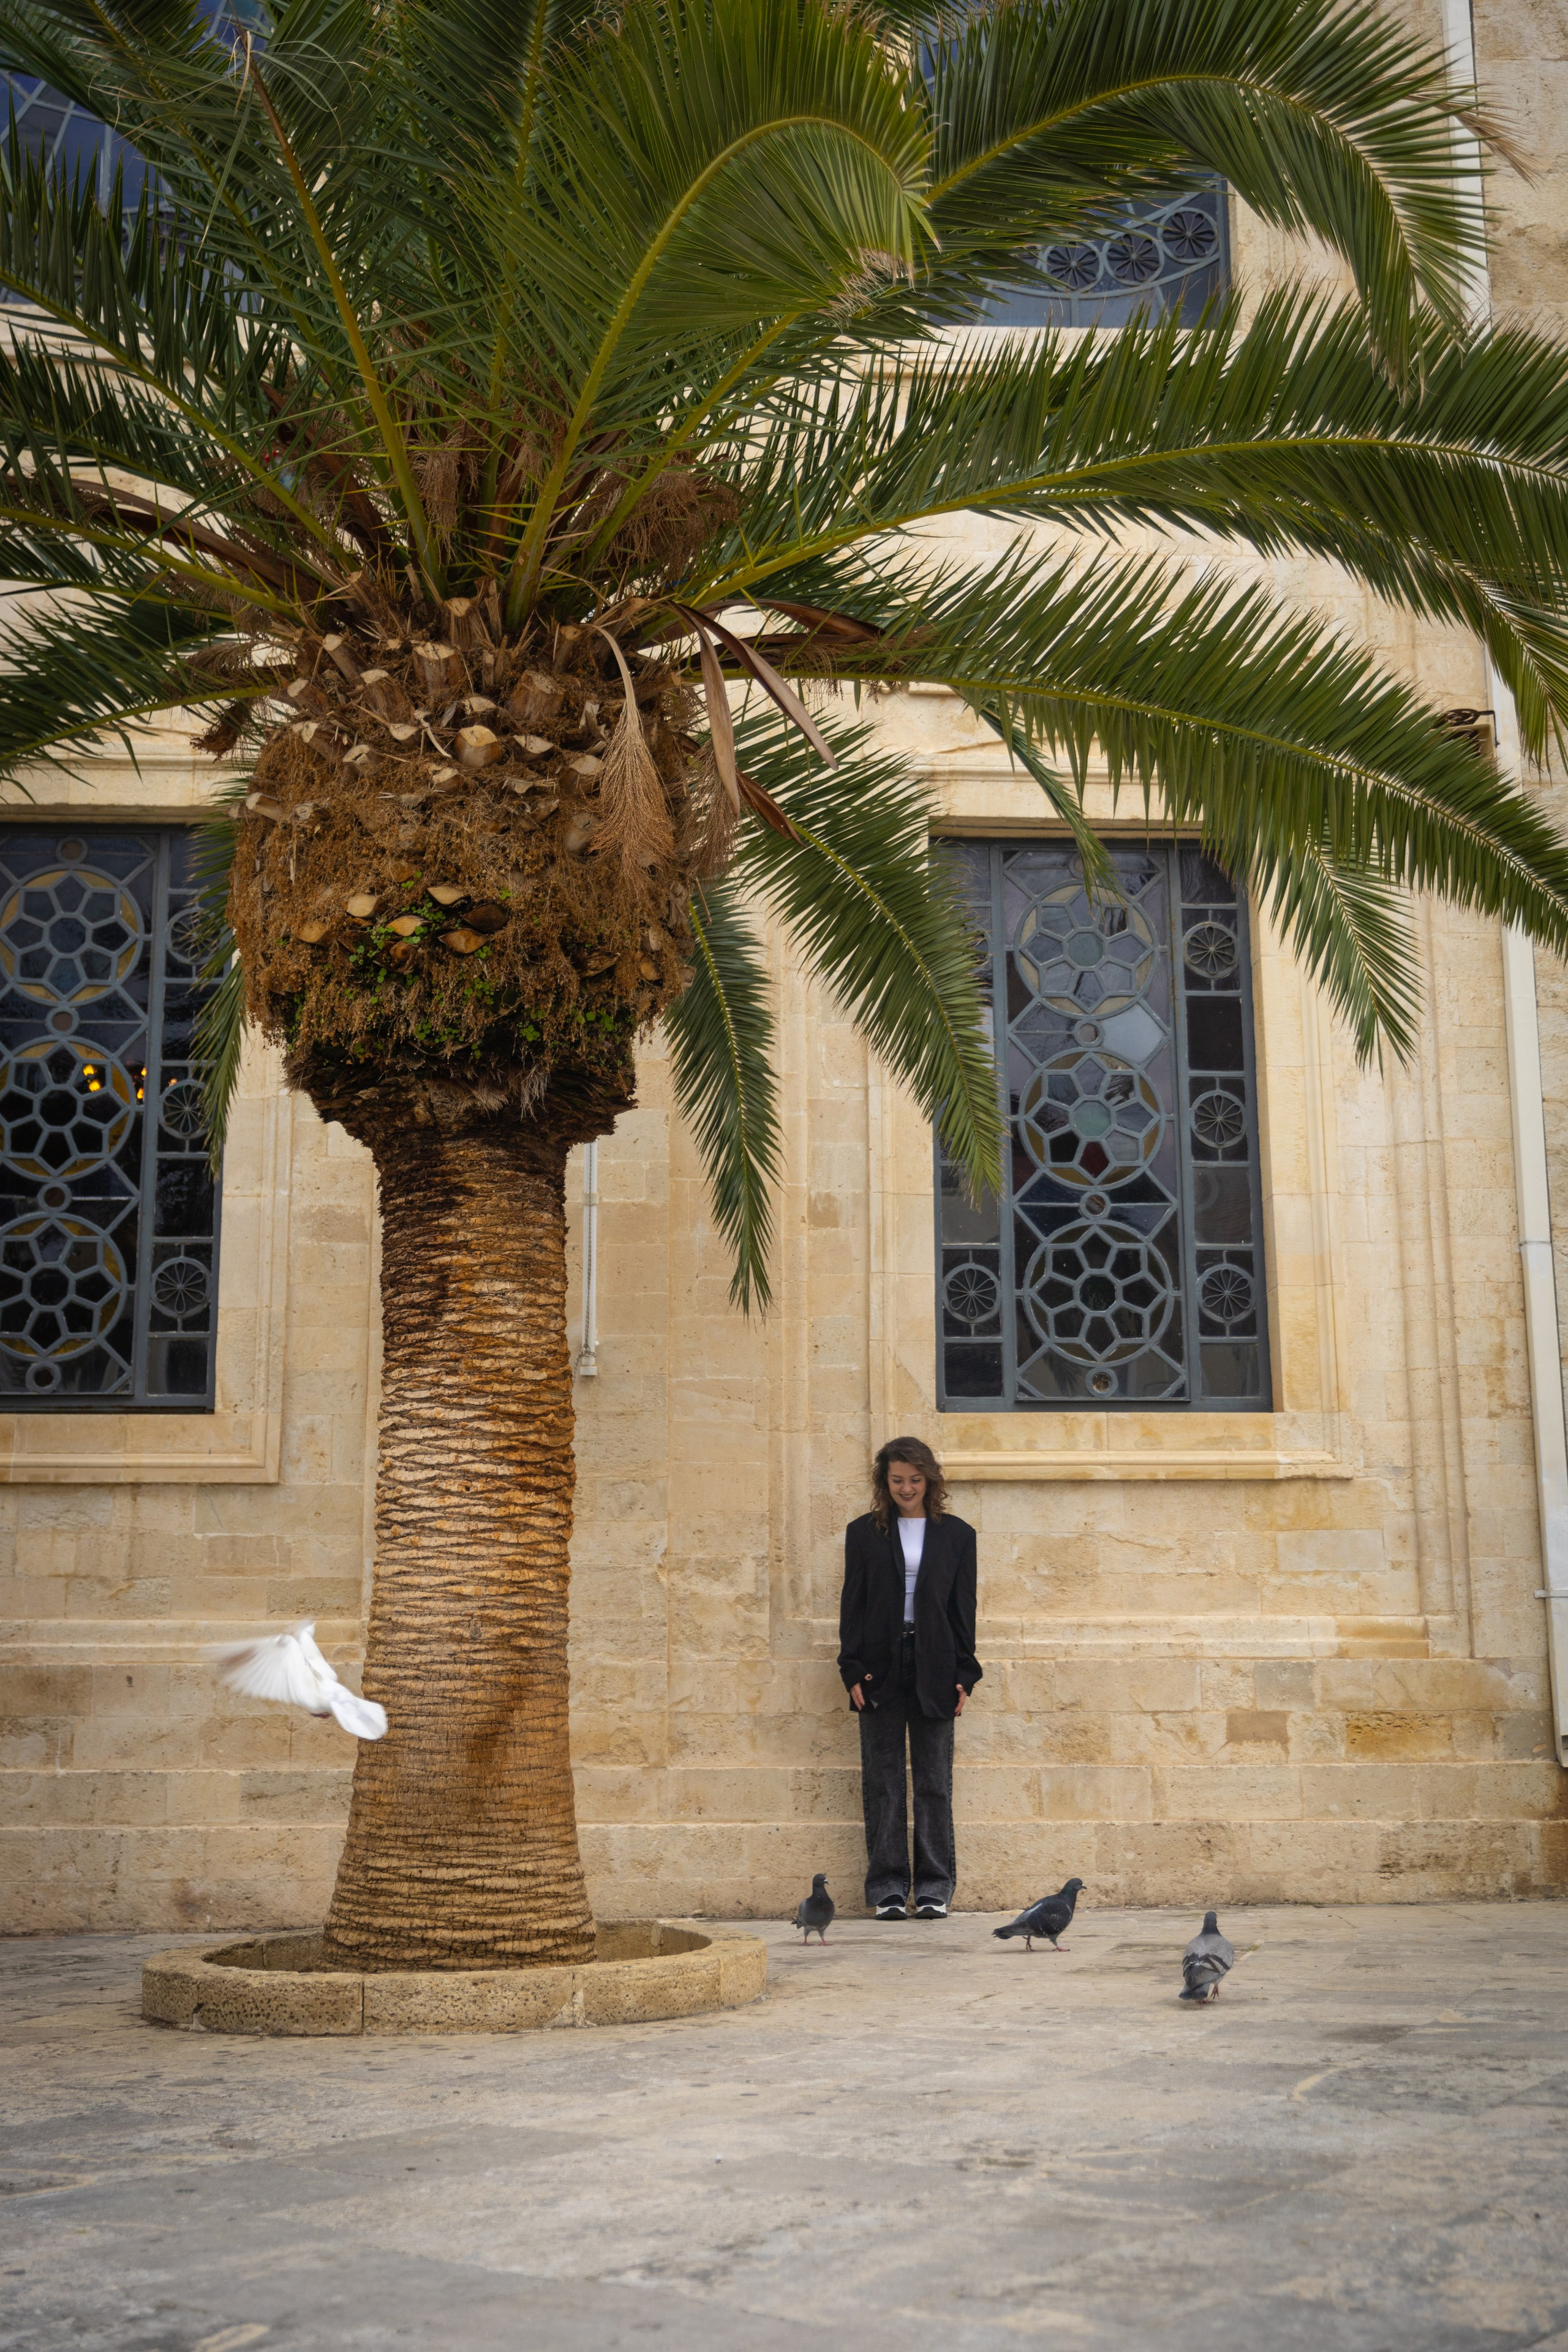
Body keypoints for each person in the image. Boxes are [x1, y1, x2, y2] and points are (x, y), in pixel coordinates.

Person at [837, 1436, 982, 1920]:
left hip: (936, 1667)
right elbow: (853, 1605)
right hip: (878, 1667)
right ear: (885, 1481)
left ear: (930, 1481)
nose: (906, 1489)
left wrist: (965, 1673)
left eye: (915, 1480)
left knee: (933, 1783)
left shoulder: (958, 1535)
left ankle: (935, 1888)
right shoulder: (864, 1533)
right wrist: (851, 1668)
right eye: (897, 1480)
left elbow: (963, 1610)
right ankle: (888, 1890)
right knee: (884, 1782)